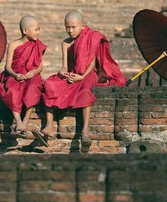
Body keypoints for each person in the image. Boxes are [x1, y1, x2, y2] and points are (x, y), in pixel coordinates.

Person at [33, 11, 126, 151]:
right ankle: (49, 126)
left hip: (88, 74)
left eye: (73, 27)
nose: (70, 31)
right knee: (50, 84)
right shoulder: (66, 43)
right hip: (72, 74)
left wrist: (82, 77)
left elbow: (93, 63)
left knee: (85, 91)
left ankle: (85, 133)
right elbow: (64, 66)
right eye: (67, 27)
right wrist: (62, 73)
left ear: (83, 26)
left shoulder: (91, 38)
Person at [0, 15, 47, 138]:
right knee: (12, 89)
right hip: (15, 74)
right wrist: (15, 75)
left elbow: (40, 67)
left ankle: (25, 122)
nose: (38, 32)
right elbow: (7, 67)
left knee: (34, 87)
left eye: (39, 29)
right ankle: (18, 121)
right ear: (25, 31)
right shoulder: (13, 45)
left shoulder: (38, 45)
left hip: (31, 74)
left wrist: (34, 72)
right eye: (36, 29)